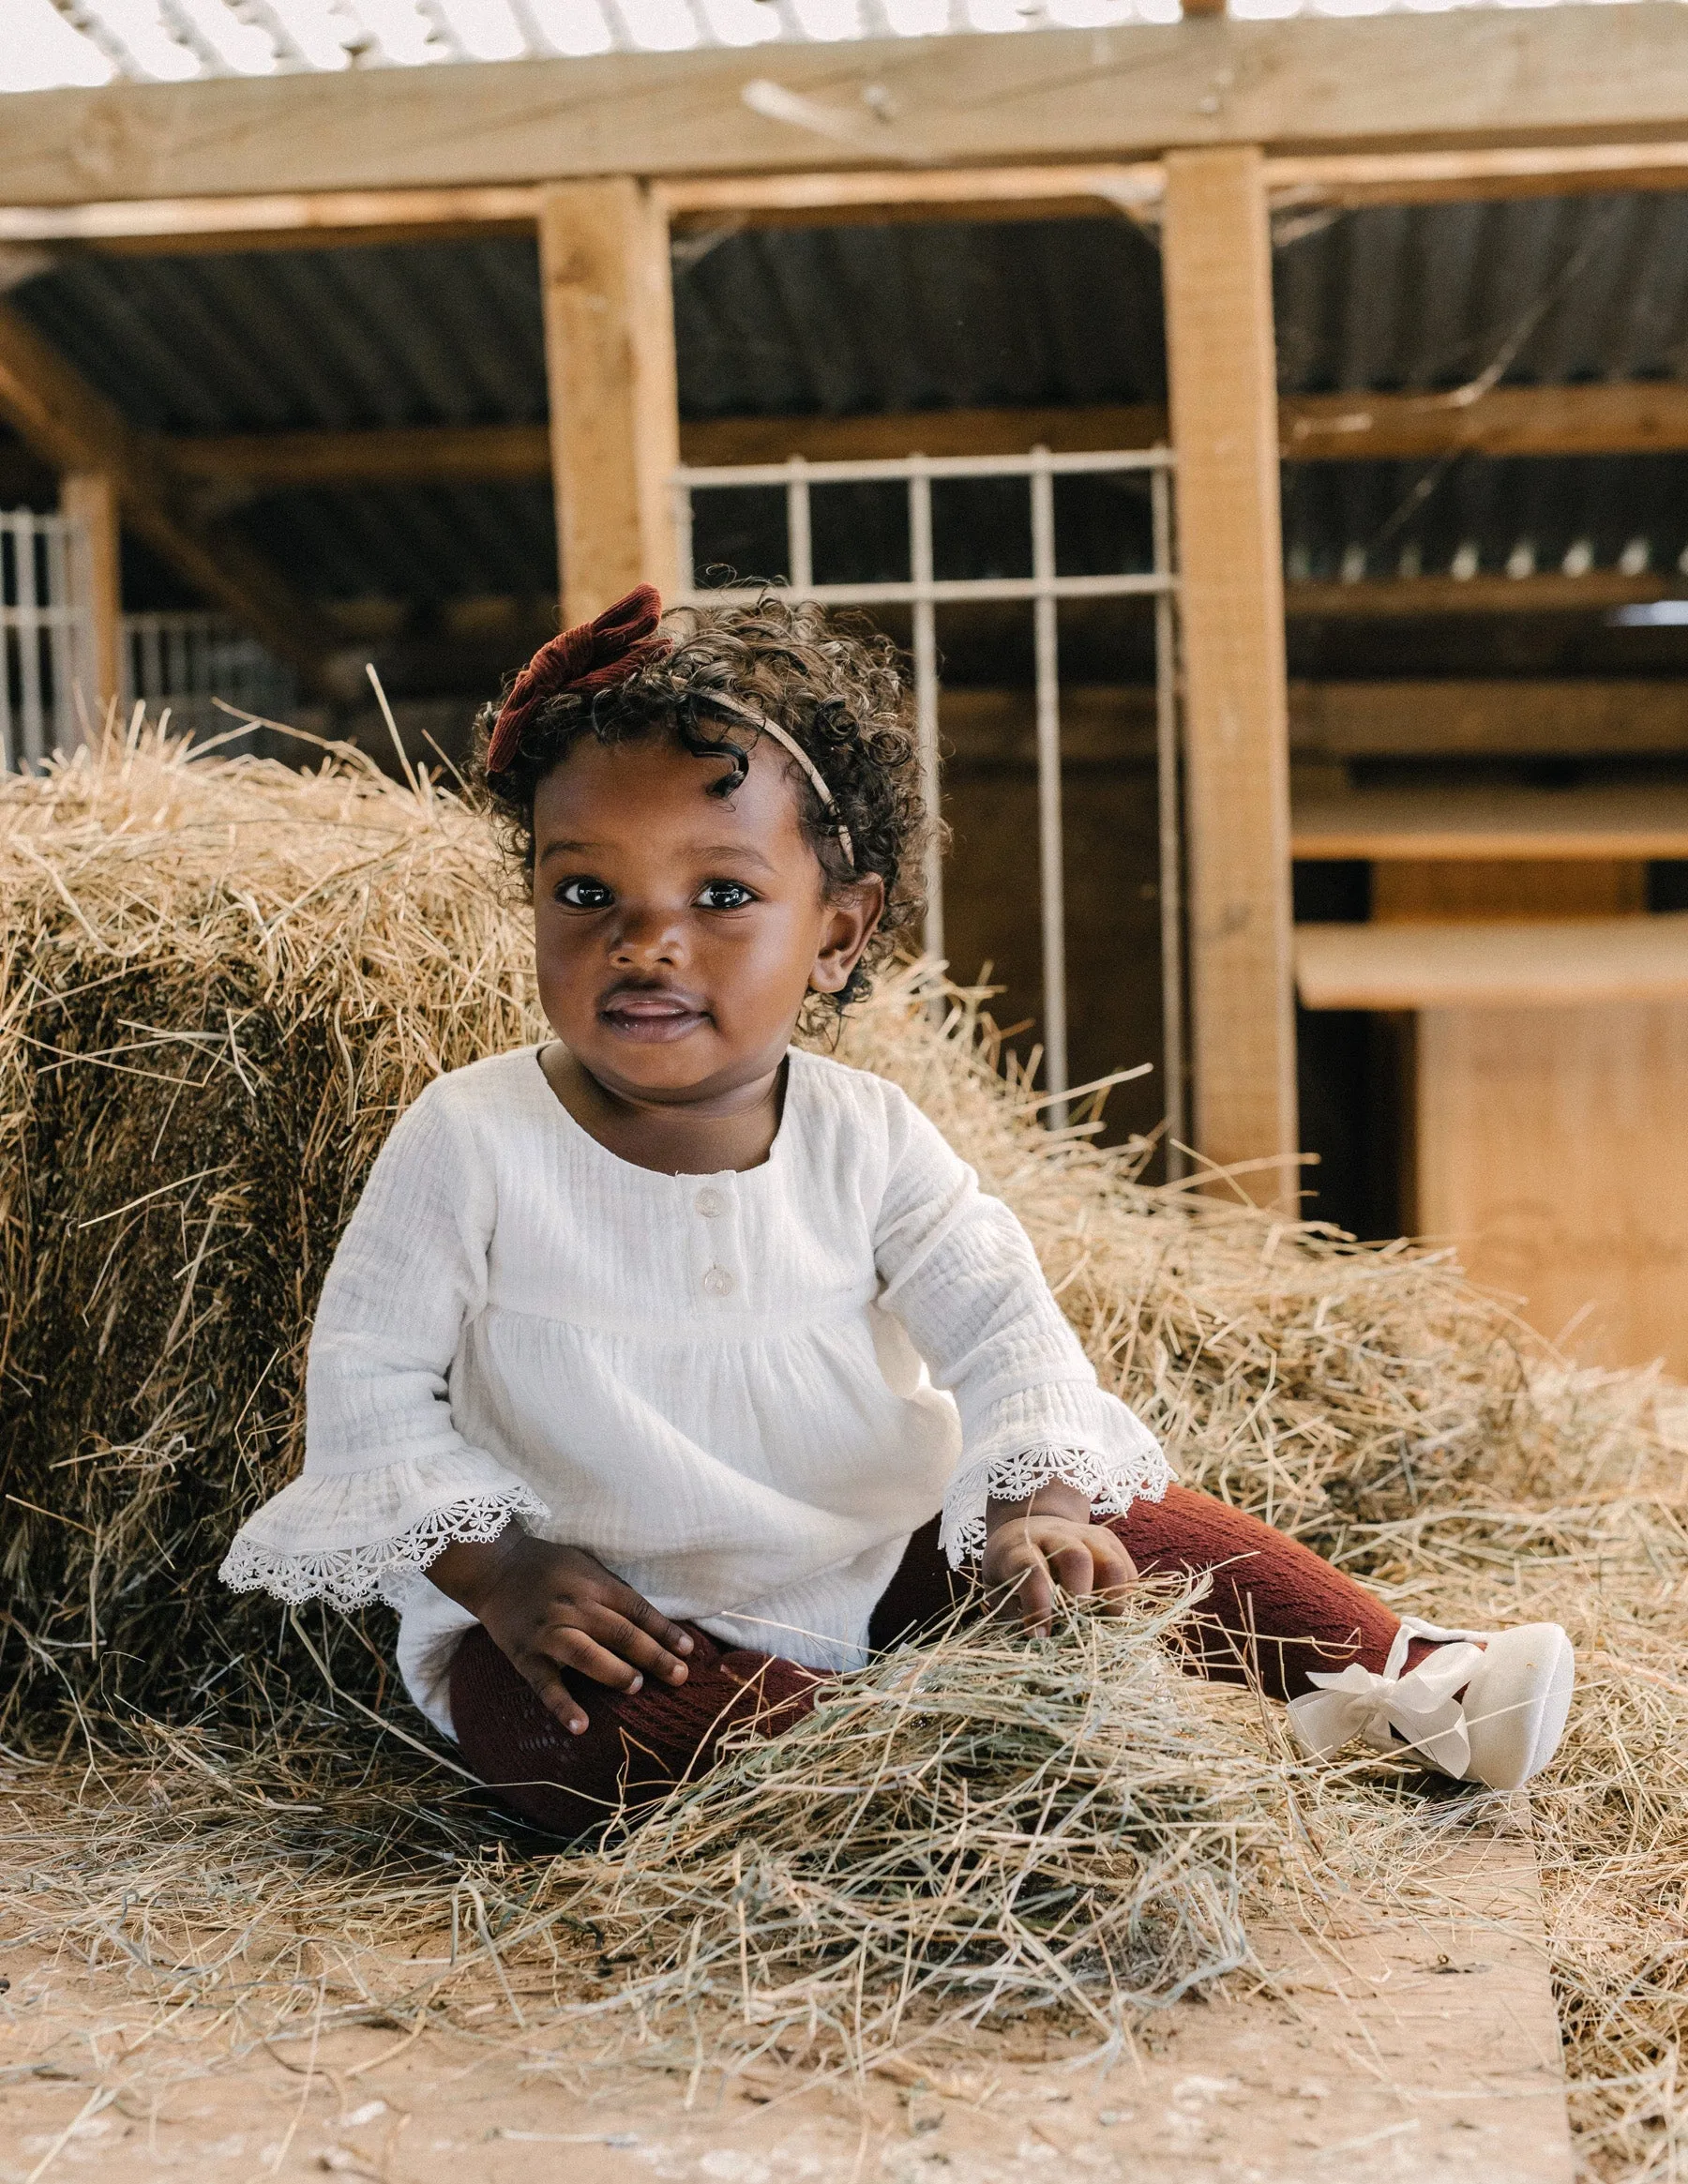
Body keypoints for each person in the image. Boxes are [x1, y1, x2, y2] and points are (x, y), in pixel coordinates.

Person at [221, 586, 1575, 1838]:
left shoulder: (868, 1141)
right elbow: (368, 1389)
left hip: (882, 1560)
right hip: (614, 1618)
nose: (647, 940)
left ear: (840, 934)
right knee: (567, 1745)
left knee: (1145, 1525)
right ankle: (925, 1772)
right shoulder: (472, 1139)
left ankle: (1407, 1677)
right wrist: (502, 1574)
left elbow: (1005, 1333)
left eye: (724, 896)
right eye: (588, 894)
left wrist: (1030, 1504)